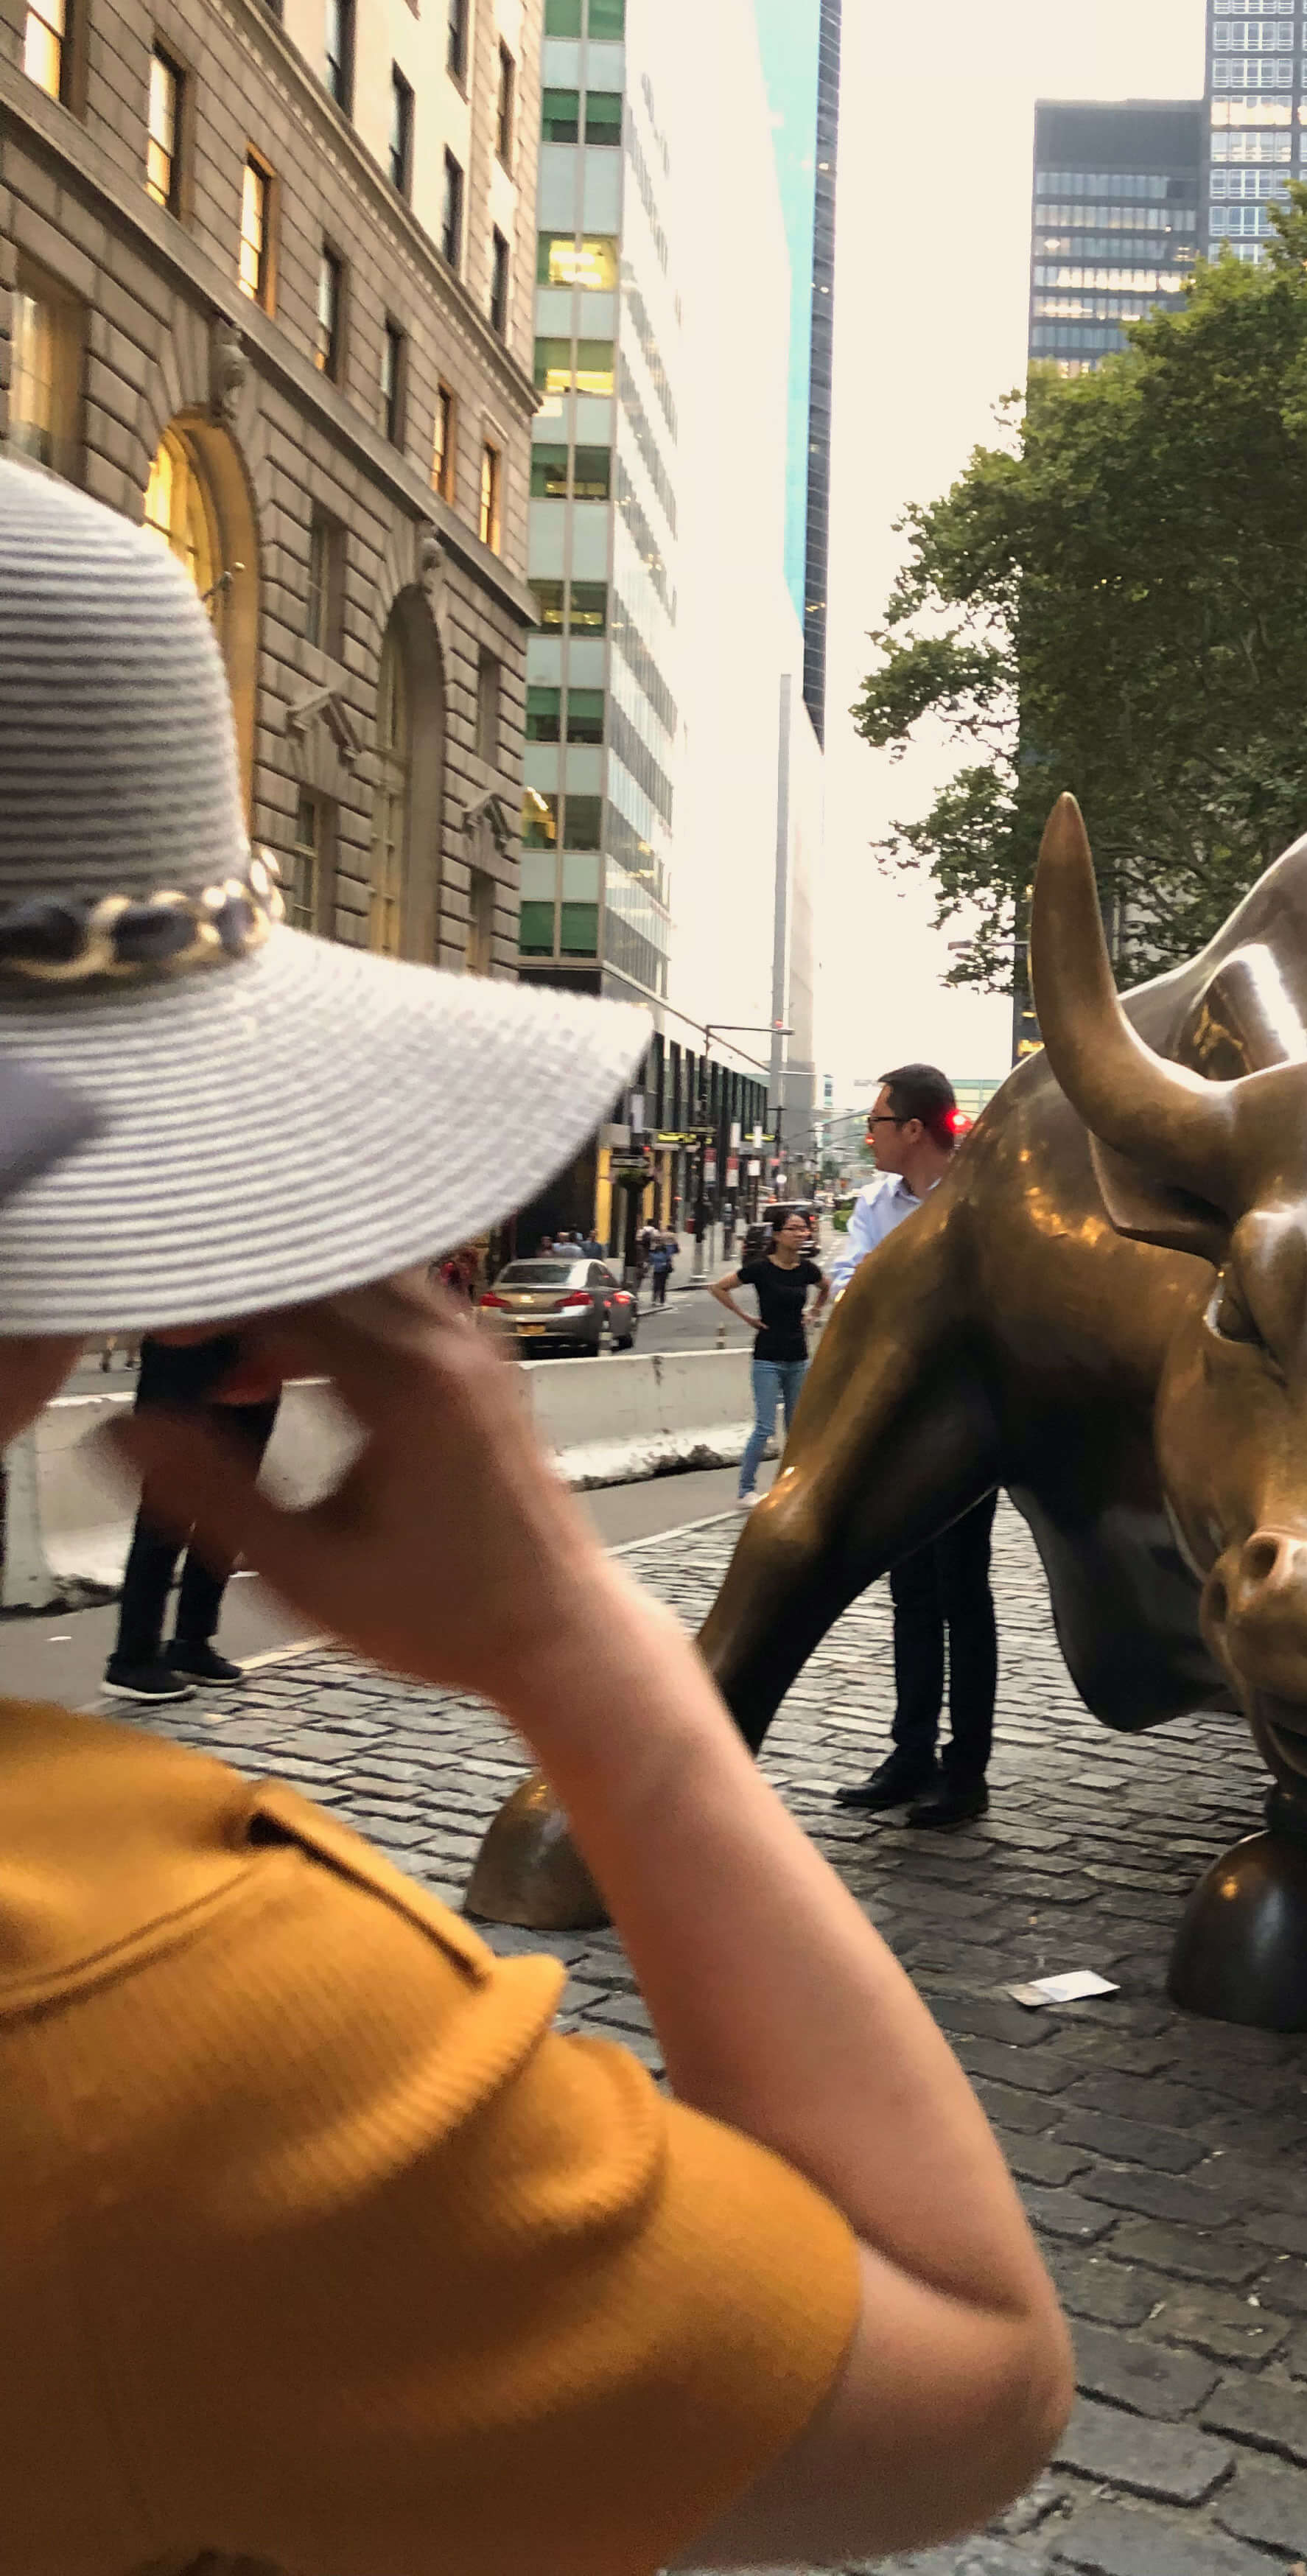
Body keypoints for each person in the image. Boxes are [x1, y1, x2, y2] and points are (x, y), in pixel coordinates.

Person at [0, 461, 1070, 2570]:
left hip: (929, 1484)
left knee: (940, 1625)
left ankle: (938, 1756)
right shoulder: (141, 2005)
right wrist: (577, 1639)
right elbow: (969, 2372)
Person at [830, 1064, 1001, 1832]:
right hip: (895, 1422)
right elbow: (846, 1289)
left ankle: (966, 1772)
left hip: (968, 1422)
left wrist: (889, 1291)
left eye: (878, 1120)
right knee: (910, 1598)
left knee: (964, 1596)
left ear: (914, 1129)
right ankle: (909, 1755)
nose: (869, 1133)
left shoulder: (985, 1204)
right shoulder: (872, 1203)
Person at [102, 1331, 283, 1701]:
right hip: (187, 1347)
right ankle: (132, 1657)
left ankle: (192, 1642)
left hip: (253, 1351)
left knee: (228, 1512)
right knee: (168, 1510)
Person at [712, 1208, 826, 1497]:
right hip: (767, 1358)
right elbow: (719, 1288)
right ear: (777, 1235)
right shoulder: (761, 1268)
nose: (801, 1234)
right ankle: (746, 1490)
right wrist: (745, 1317)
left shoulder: (807, 1270)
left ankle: (789, 1490)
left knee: (796, 1429)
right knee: (765, 1427)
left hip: (798, 1357)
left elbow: (826, 1288)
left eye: (804, 1229)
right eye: (794, 1229)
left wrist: (814, 1311)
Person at [648, 1222, 677, 1309]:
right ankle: (662, 1301)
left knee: (656, 1285)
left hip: (657, 1270)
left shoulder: (654, 1252)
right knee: (663, 1285)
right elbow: (674, 1250)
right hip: (664, 1270)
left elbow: (651, 1261)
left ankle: (654, 1299)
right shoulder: (667, 1251)